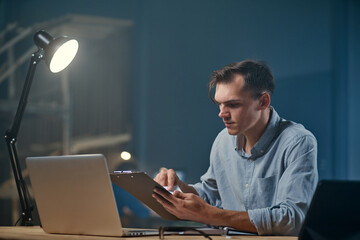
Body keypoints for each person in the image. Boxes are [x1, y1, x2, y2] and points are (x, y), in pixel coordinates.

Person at [152, 60, 318, 236]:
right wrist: (176, 189)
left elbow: (292, 219)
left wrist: (210, 215)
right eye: (220, 104)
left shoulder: (298, 142)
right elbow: (210, 196)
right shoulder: (223, 140)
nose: (221, 113)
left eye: (232, 104)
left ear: (263, 101)